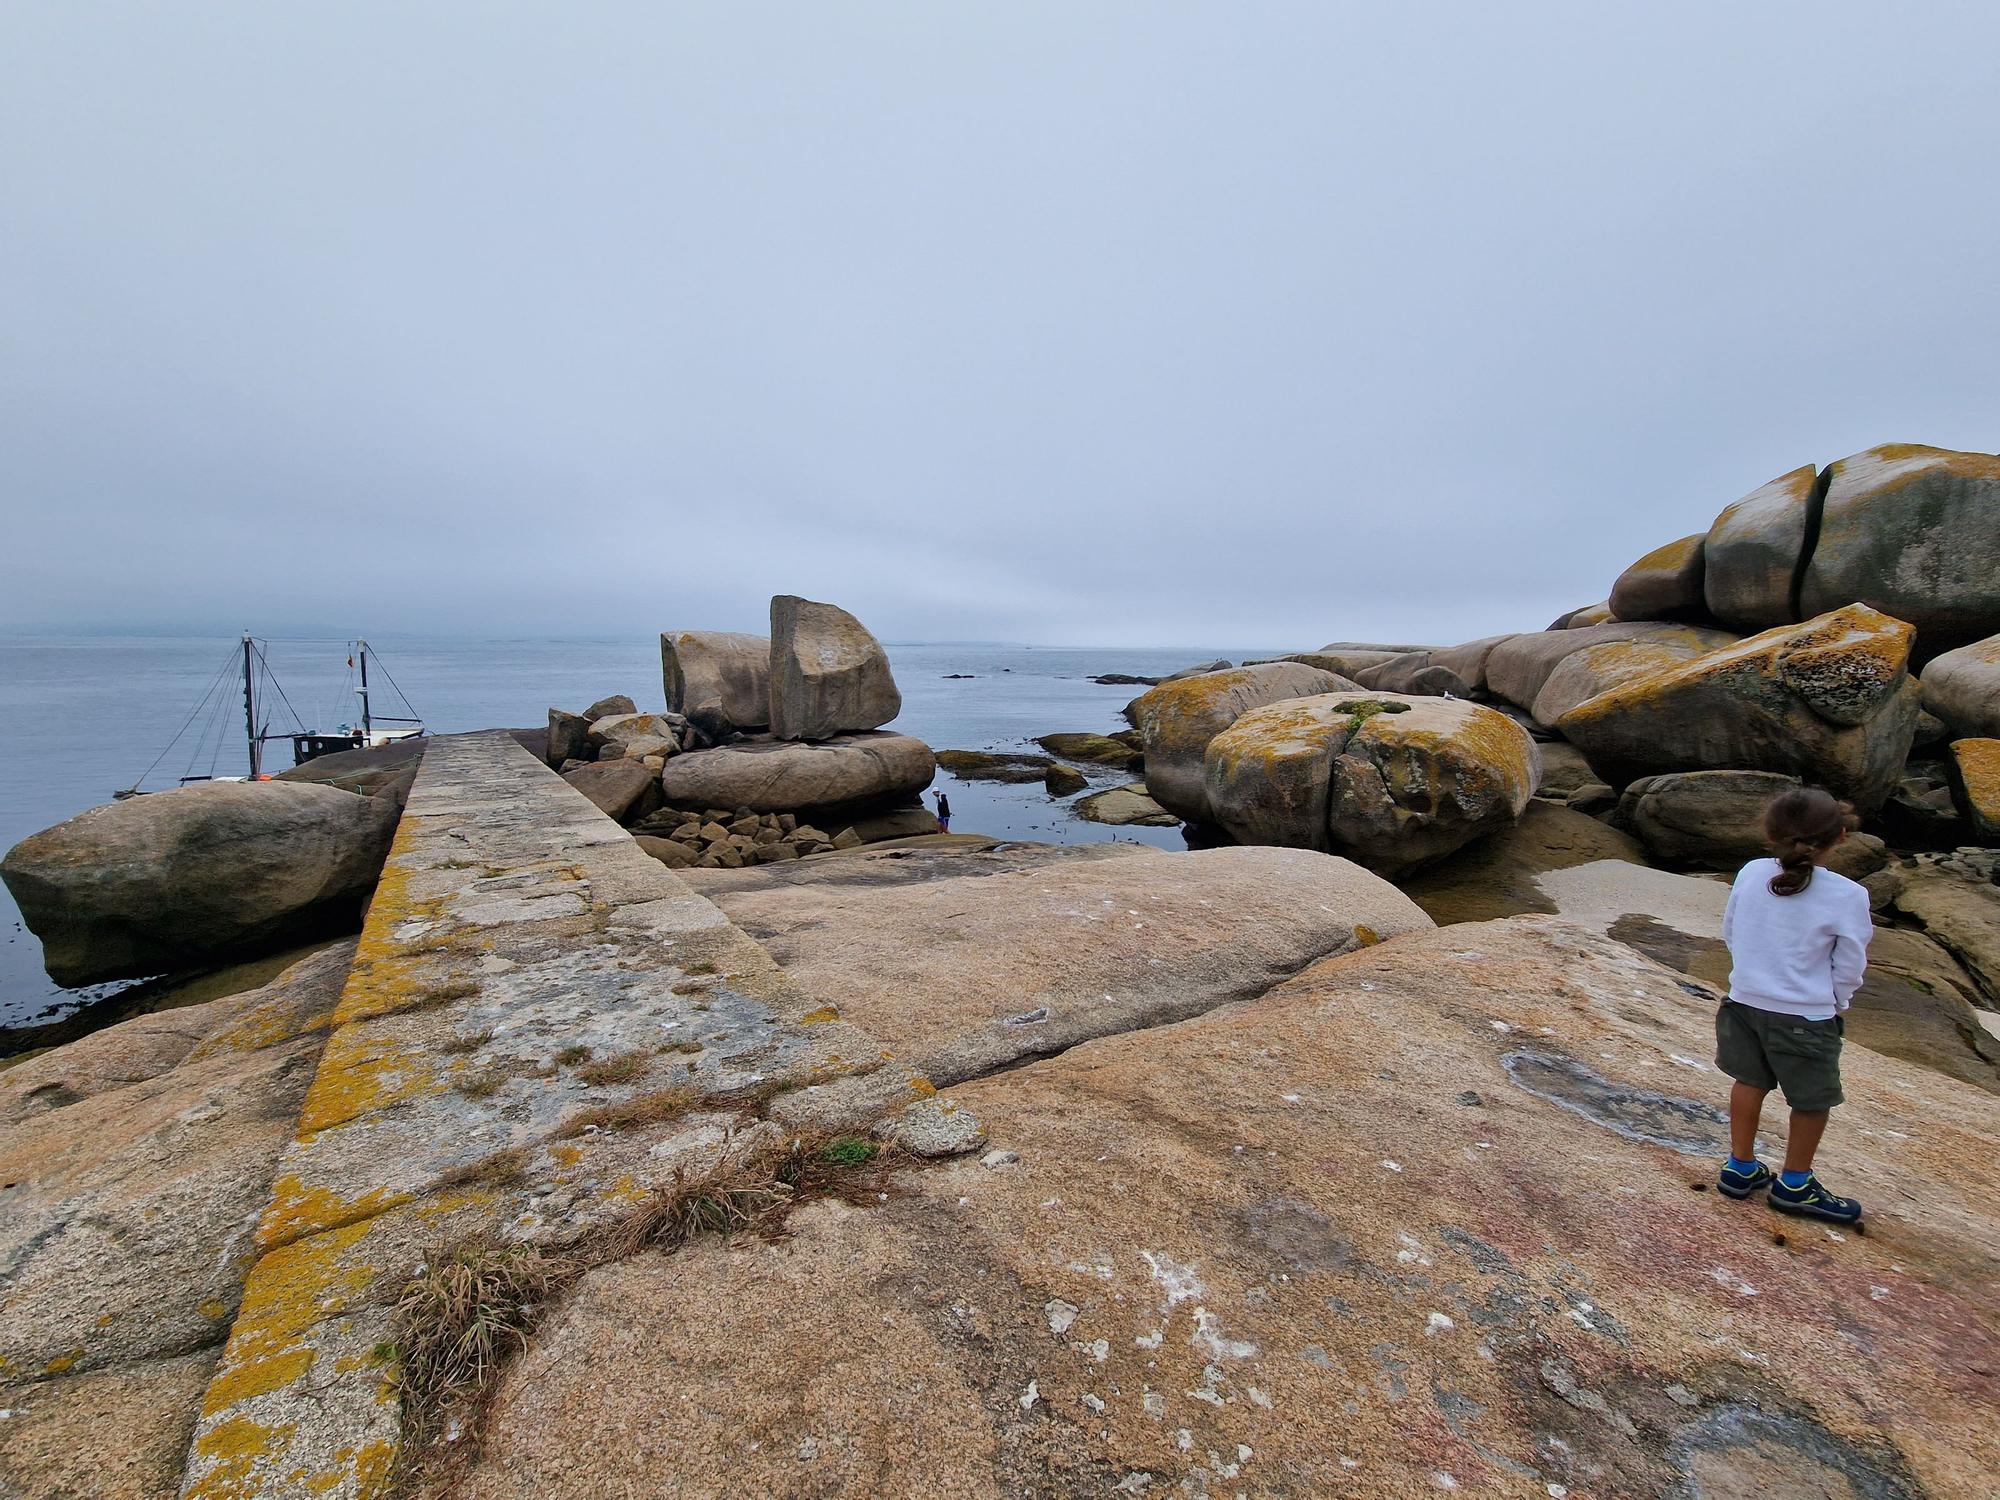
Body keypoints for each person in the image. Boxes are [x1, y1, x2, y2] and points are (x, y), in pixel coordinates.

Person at [1713, 787, 1871, 1223]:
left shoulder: (1749, 872)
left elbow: (1731, 930)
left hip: (1743, 1002)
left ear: (1770, 834)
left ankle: (1740, 1167)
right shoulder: (1847, 895)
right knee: (1810, 1100)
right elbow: (1849, 963)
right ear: (1840, 836)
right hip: (1804, 1014)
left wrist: (1749, 974)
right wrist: (1837, 1001)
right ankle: (1795, 1185)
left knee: (1749, 1081)